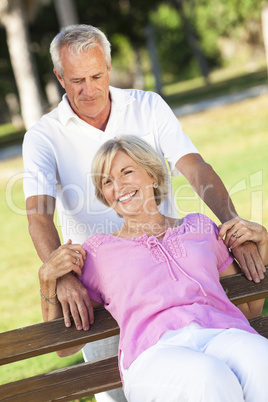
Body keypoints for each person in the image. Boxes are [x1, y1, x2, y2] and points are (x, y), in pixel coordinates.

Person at [23, 24, 265, 401]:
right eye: (77, 80)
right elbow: (38, 213)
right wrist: (62, 275)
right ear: (59, 77)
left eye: (97, 76)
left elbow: (195, 167)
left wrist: (233, 223)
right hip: (107, 281)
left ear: (108, 65)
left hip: (179, 277)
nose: (89, 90)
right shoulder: (44, 136)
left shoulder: (147, 106)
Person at [39, 136, 268, 402]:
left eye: (127, 172)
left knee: (260, 359)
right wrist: (47, 280)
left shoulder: (200, 228)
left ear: (152, 175)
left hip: (222, 334)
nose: (119, 186)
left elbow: (249, 310)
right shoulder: (98, 253)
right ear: (105, 196)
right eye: (107, 181)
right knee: (207, 376)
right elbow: (67, 348)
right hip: (154, 354)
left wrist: (264, 248)